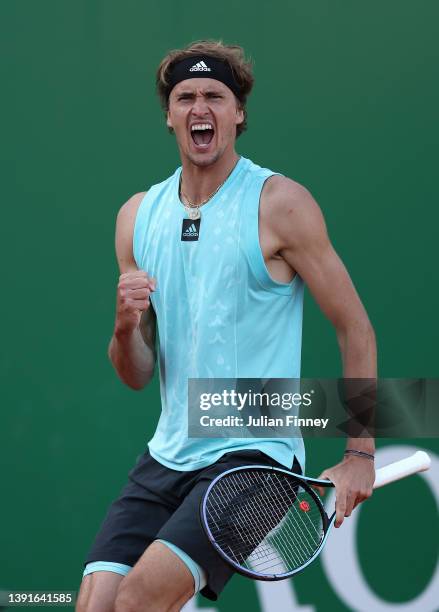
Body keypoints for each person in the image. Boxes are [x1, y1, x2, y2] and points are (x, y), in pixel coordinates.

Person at [76, 39, 377, 612]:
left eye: (215, 95)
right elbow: (137, 376)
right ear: (169, 116)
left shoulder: (280, 204)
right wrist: (124, 328)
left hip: (255, 456)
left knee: (138, 601)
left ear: (238, 112)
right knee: (97, 604)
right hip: (167, 456)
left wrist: (359, 452)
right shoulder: (138, 218)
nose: (200, 108)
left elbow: (354, 327)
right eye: (185, 97)